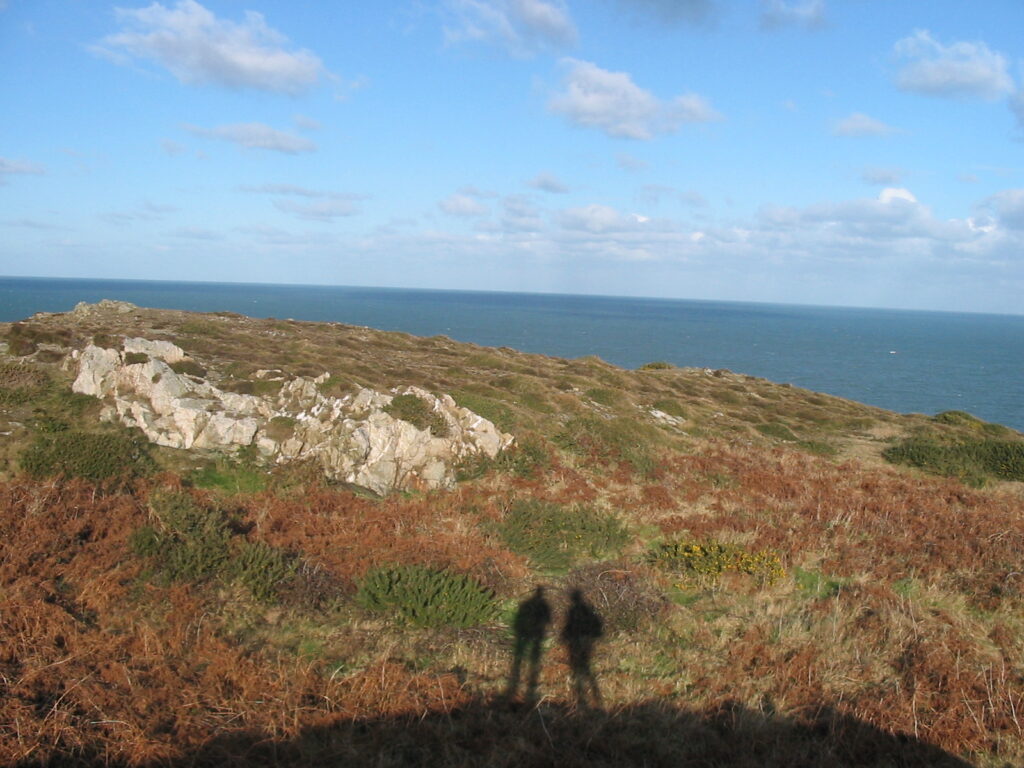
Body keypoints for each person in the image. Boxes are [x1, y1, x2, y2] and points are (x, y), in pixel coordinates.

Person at [506, 585, 552, 703]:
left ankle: (520, 667)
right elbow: (548, 620)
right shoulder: (544, 605)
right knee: (535, 653)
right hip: (537, 631)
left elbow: (518, 618)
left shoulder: (526, 603)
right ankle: (533, 670)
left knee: (521, 651)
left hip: (525, 631)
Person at [561, 589, 603, 709]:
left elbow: (569, 626)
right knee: (585, 666)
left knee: (577, 667)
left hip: (576, 641)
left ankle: (580, 696)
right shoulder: (588, 609)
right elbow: (597, 625)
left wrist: (564, 637)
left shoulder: (573, 611)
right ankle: (594, 694)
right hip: (587, 641)